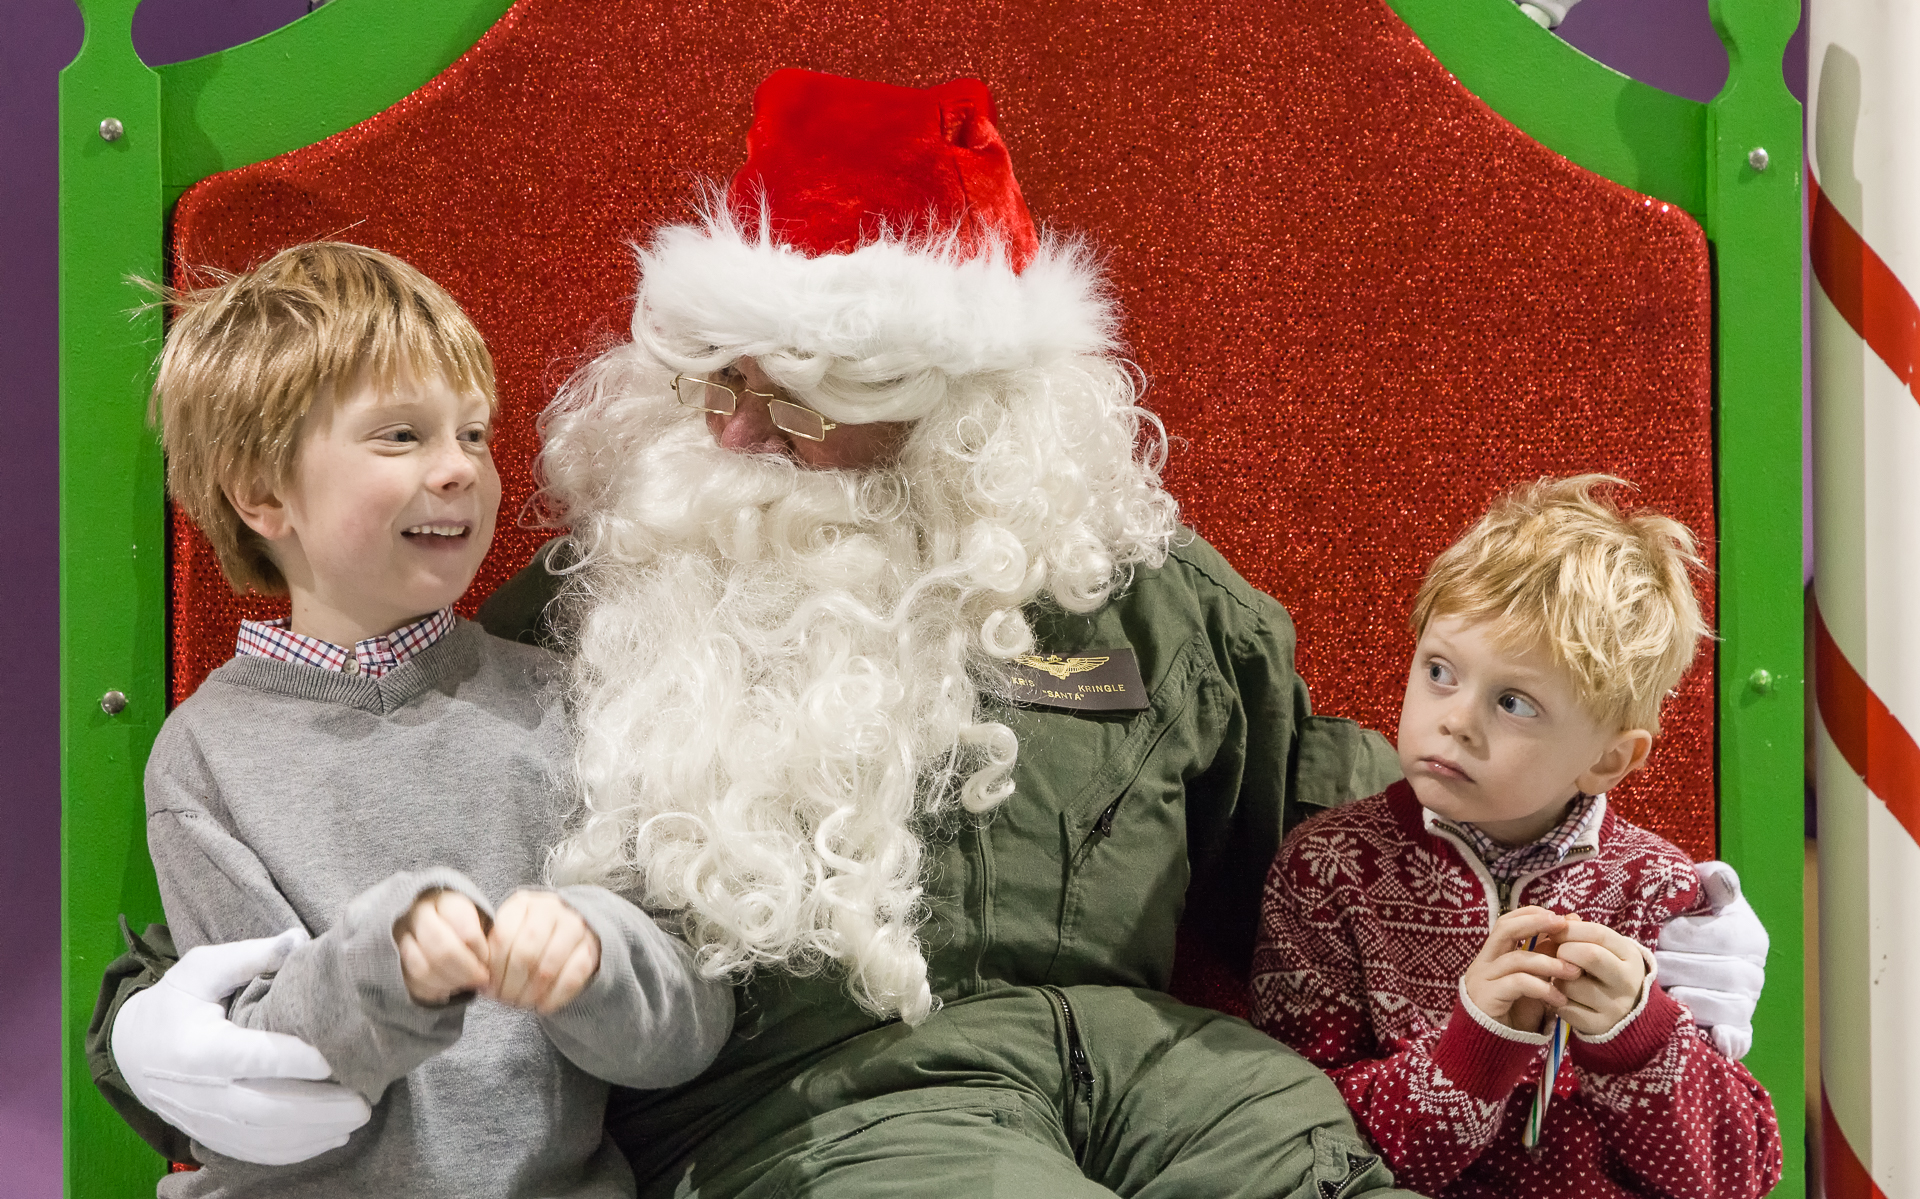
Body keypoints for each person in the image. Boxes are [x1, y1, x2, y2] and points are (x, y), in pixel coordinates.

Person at [91, 72, 1770, 1196]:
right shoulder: (620, 588)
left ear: (965, 400)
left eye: (798, 398)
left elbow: (1366, 818)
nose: (735, 430)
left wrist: (1626, 898)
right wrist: (143, 1039)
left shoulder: (1138, 579)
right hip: (834, 1097)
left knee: (1308, 1162)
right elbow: (390, 772)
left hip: (1149, 1048)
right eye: (716, 381)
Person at [126, 241, 734, 1197]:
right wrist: (387, 967)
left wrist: (595, 955)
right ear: (262, 492)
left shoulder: (569, 700)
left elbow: (689, 1024)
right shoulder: (205, 755)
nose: (457, 470)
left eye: (475, 435)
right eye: (400, 437)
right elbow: (243, 1076)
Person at [1249, 475, 1783, 1198]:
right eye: (1439, 671)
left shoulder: (1667, 898)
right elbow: (1290, 1150)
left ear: (1607, 759)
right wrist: (1472, 1049)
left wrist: (1639, 1037)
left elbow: (1735, 1177)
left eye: (1513, 701)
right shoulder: (1328, 870)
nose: (1456, 719)